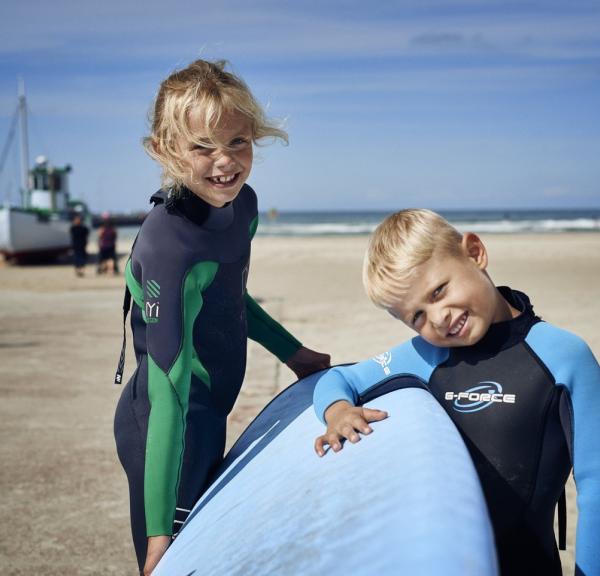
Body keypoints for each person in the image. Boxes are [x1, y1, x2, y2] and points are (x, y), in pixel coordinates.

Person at [114, 59, 331, 576]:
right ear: (163, 151)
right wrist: (159, 532)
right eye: (202, 147)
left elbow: (231, 298)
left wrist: (292, 353)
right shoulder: (169, 245)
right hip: (167, 434)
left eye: (238, 141)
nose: (225, 162)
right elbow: (168, 388)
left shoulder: (245, 205)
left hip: (210, 418)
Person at [312, 209, 600, 576]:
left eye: (439, 291)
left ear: (475, 252)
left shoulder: (561, 356)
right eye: (416, 316)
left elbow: (595, 484)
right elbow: (340, 381)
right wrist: (338, 412)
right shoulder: (425, 356)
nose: (438, 318)